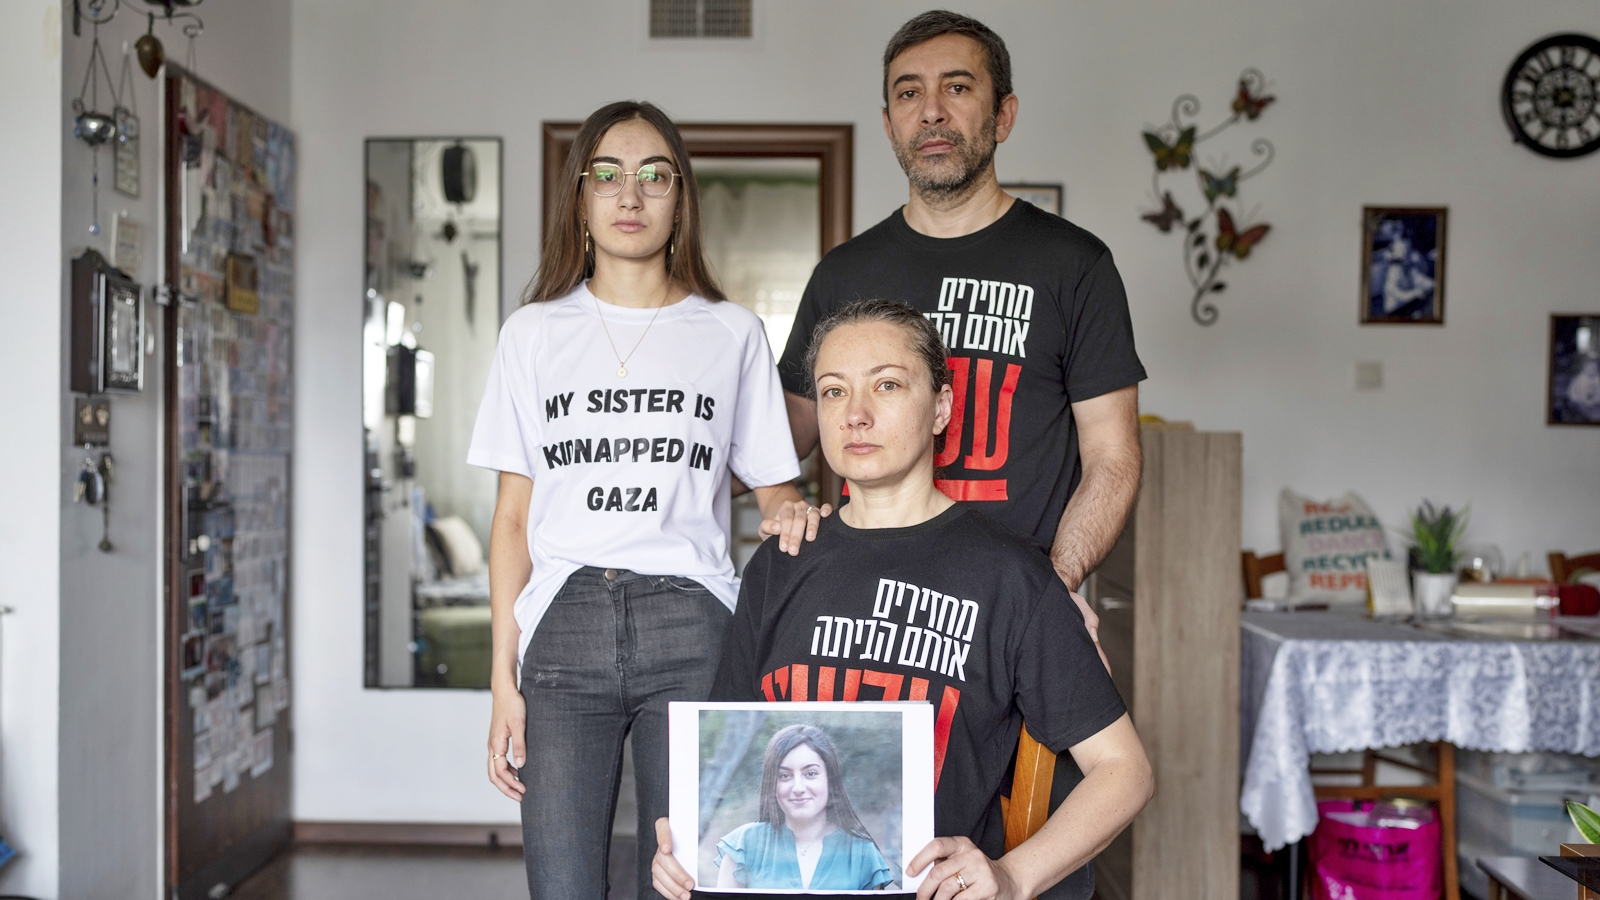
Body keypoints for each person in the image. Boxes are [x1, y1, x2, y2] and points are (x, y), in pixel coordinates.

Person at [654, 300, 1155, 900]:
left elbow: (1124, 771)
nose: (856, 415)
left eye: (886, 385)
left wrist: (1012, 875)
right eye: (834, 392)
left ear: (941, 406)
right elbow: (723, 747)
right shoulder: (779, 566)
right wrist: (687, 842)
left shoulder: (1009, 577)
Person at [469, 100, 816, 900]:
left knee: (687, 881)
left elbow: (778, 493)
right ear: (582, 200)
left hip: (692, 623)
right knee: (561, 885)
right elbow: (513, 518)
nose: (631, 196)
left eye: (655, 177)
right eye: (610, 176)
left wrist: (797, 515)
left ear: (680, 199)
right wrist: (501, 678)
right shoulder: (532, 333)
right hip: (562, 624)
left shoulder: (731, 333)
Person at [764, 11, 1146, 673]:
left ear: (1003, 116)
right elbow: (780, 431)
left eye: (958, 88)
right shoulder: (846, 273)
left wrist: (1052, 588)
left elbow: (1112, 458)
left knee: (1060, 777)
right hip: (872, 608)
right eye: (909, 93)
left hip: (1014, 602)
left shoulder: (1074, 265)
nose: (931, 111)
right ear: (889, 124)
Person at [712, 724, 894, 891]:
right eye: (784, 775)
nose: (798, 788)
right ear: (772, 783)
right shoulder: (742, 846)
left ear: (830, 779)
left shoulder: (861, 851)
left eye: (811, 773)